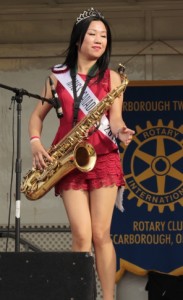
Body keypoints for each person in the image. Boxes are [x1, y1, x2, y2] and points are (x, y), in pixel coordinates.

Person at [28, 7, 135, 300]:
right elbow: (37, 117)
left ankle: (109, 297)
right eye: (93, 34)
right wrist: (36, 142)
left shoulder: (112, 78)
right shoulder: (57, 77)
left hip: (103, 156)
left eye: (104, 35)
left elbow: (114, 119)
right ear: (78, 39)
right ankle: (80, 295)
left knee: (101, 235)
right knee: (81, 236)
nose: (99, 40)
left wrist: (122, 130)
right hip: (68, 160)